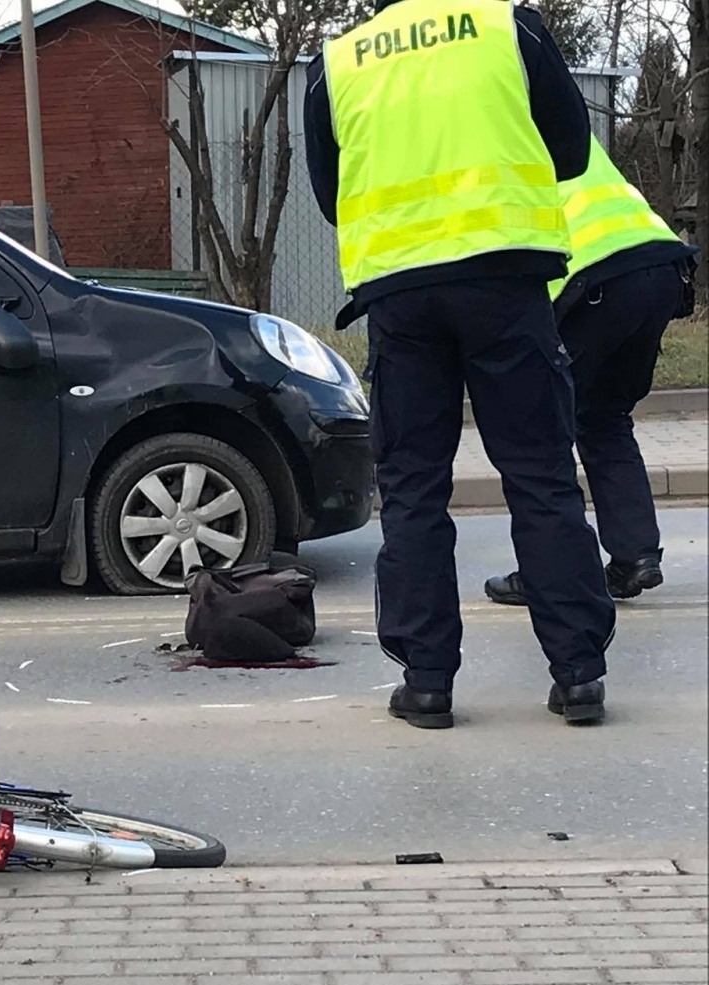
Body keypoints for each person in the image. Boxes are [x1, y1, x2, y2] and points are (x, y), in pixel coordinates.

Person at [305, 0, 616, 729]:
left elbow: (331, 195)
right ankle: (577, 675)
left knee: (413, 487)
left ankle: (427, 681)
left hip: (402, 294)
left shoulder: (340, 60)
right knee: (539, 474)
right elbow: (572, 151)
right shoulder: (511, 26)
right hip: (506, 280)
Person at [485, 135, 700, 607]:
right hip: (659, 267)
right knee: (605, 419)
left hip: (597, 279)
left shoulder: (493, 144)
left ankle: (549, 572)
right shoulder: (559, 119)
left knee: (543, 432)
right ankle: (635, 556)